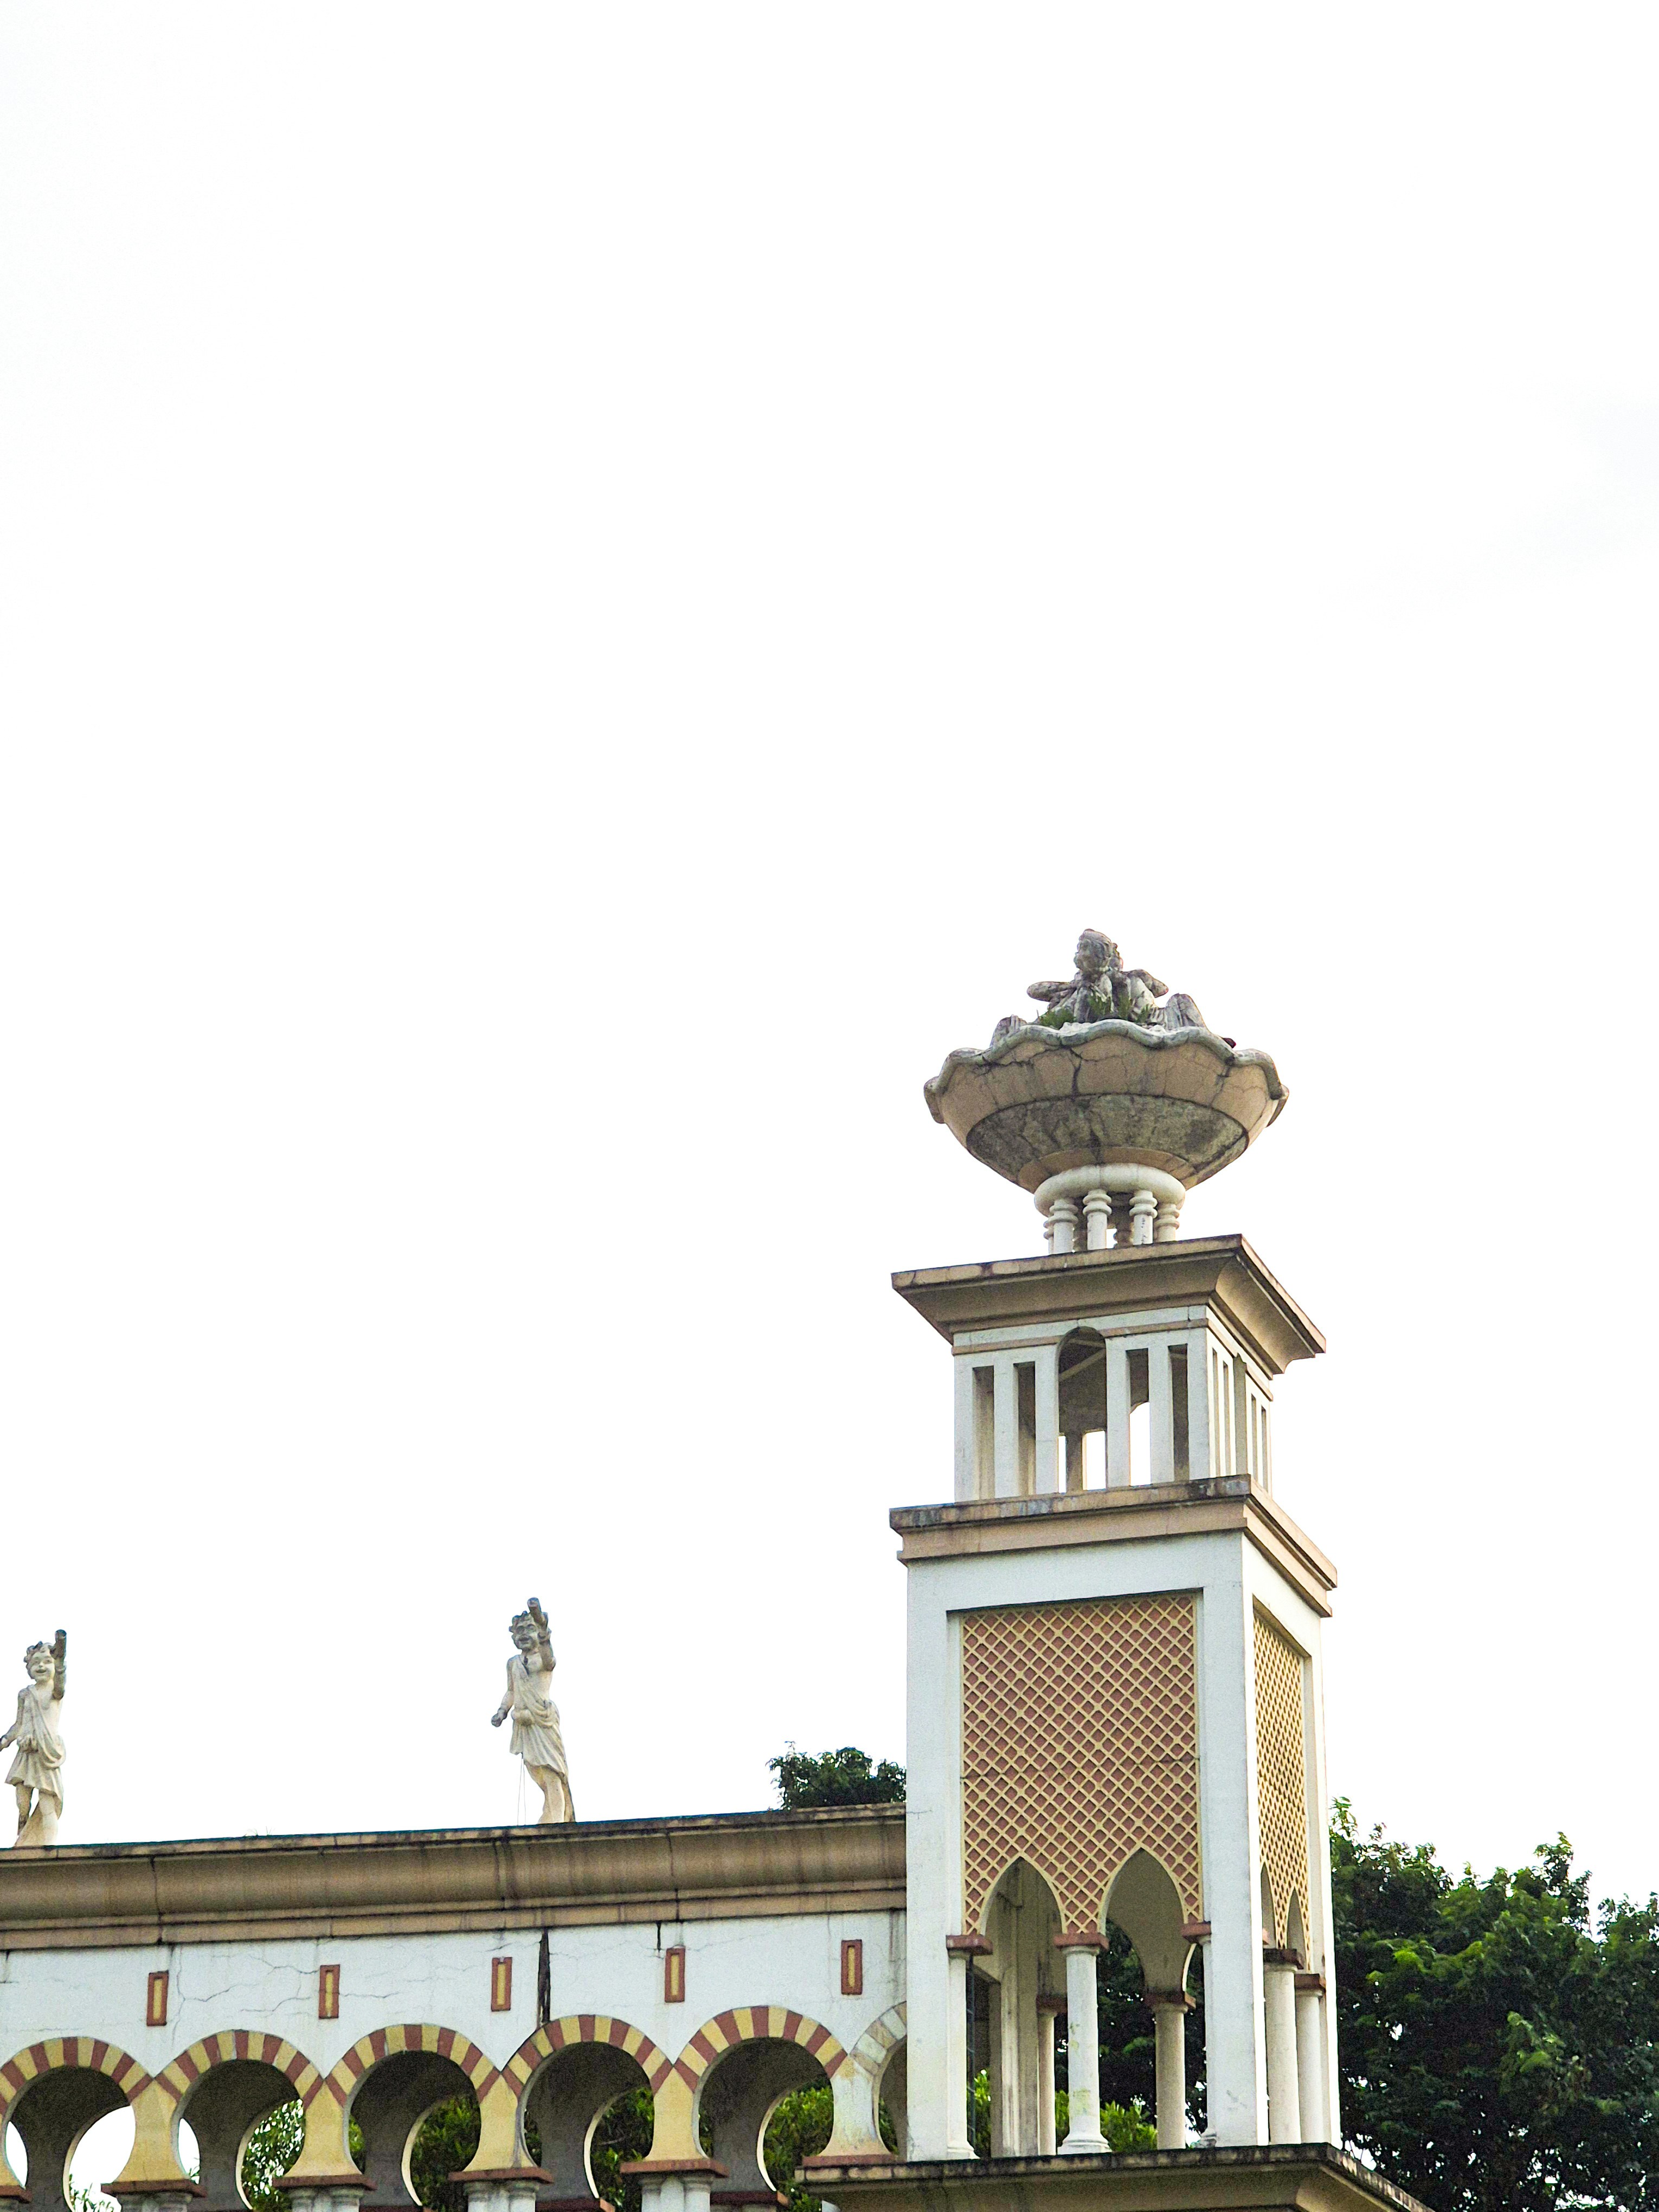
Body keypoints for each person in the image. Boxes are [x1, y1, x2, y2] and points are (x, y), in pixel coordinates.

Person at [491, 1599, 574, 1823]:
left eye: (530, 1629)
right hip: (524, 1722)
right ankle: (550, 1811)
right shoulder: (513, 1663)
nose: (524, 1635)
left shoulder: (543, 1658)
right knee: (536, 1770)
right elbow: (512, 1691)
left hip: (543, 1719)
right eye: (520, 1631)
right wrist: (502, 1711)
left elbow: (550, 1659)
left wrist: (545, 1632)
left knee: (552, 1771)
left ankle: (557, 1819)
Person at [1, 1632, 66, 1847]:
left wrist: (61, 1660)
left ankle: (50, 1848)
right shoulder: (25, 1694)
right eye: (36, 1663)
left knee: (47, 1803)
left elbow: (61, 1683)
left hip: (46, 1752)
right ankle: (24, 1837)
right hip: (26, 1753)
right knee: (22, 1803)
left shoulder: (54, 1691)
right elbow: (19, 1725)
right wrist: (5, 1741)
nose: (41, 1666)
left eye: (47, 1662)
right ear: (29, 1668)